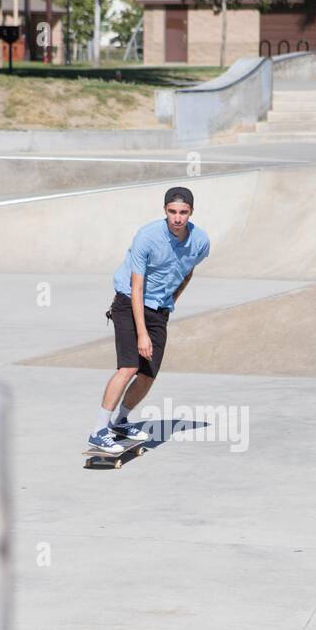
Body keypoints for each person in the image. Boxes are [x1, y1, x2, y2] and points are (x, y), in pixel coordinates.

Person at [88, 186, 211, 453]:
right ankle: (98, 431)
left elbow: (188, 270)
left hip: (159, 309)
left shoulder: (200, 241)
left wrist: (172, 299)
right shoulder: (147, 236)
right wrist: (142, 333)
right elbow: (137, 287)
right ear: (165, 210)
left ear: (191, 212)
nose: (177, 218)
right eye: (172, 212)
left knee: (147, 375)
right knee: (129, 367)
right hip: (128, 302)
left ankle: (120, 422)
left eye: (183, 212)